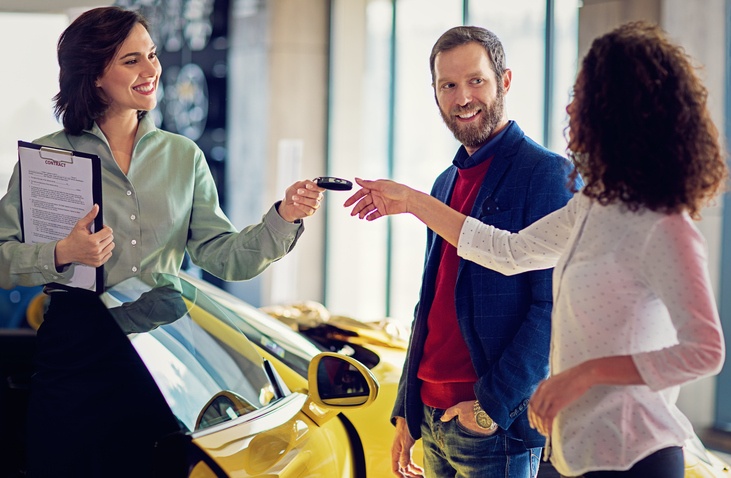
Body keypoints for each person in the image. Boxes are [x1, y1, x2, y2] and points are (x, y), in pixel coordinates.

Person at [345, 21, 726, 478]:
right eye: (448, 84)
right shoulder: (590, 206)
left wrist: (577, 377)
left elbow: (706, 352)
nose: (569, 106)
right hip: (573, 450)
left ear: (622, 115)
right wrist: (413, 202)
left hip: (637, 453)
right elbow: (507, 253)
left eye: (584, 96)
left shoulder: (661, 225)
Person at [0, 6, 325, 477]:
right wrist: (61, 254)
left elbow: (224, 256)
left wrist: (283, 218)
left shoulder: (182, 156)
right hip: (77, 349)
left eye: (151, 55)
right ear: (93, 74)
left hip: (165, 350)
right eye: (131, 60)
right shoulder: (47, 157)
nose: (152, 70)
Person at [348, 25, 577, 478]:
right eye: (448, 85)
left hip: (494, 430)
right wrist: (407, 411)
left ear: (505, 82)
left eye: (476, 81)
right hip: (432, 422)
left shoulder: (547, 175)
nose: (462, 97)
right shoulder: (444, 184)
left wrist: (490, 408)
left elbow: (552, 309)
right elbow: (429, 302)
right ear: (435, 94)